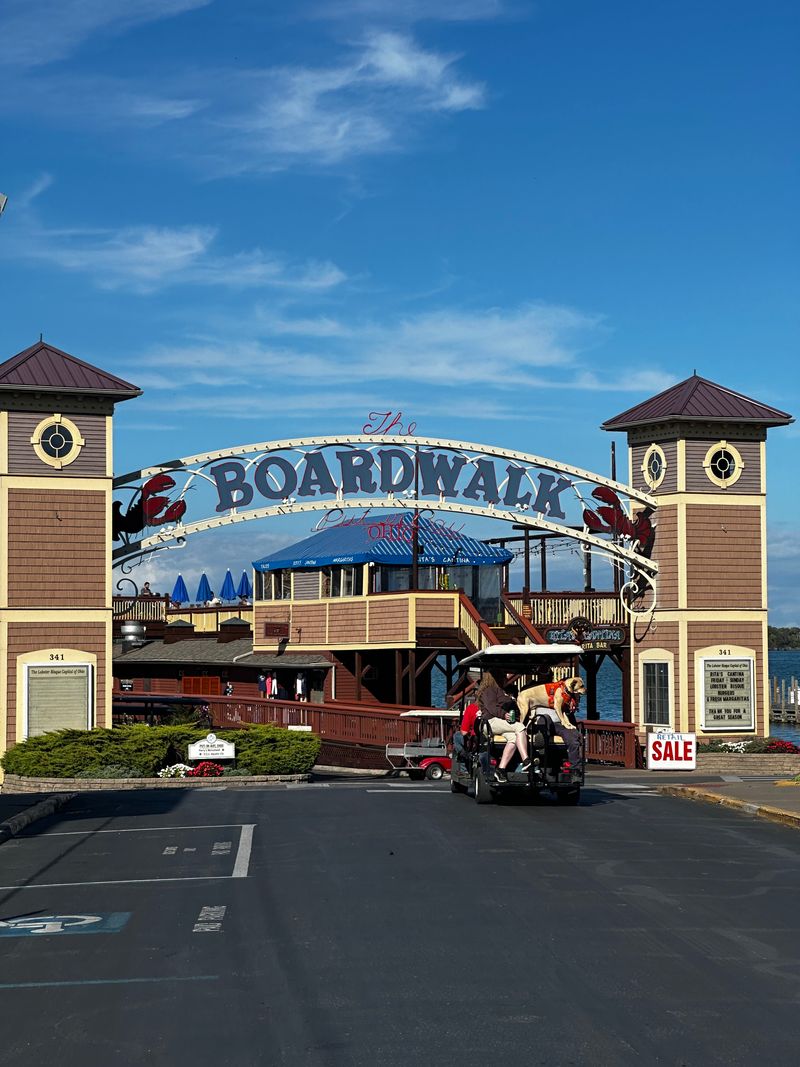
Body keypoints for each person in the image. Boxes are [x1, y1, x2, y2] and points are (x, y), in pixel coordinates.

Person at [517, 676, 585, 772]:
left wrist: (571, 708)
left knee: (573, 737)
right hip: (543, 722)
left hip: (559, 724)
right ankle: (542, 743)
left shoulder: (564, 692)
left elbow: (567, 712)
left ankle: (576, 769)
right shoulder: (534, 690)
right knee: (545, 719)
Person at [476, 671, 530, 782]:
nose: (506, 679)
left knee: (514, 738)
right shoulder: (489, 690)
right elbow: (492, 707)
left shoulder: (500, 691)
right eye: (504, 676)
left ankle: (501, 769)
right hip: (491, 721)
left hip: (500, 722)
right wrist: (504, 714)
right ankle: (526, 760)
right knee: (519, 727)